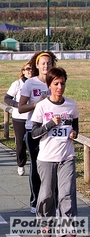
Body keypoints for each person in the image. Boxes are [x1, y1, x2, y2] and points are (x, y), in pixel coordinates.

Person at [30, 67, 79, 226]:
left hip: (67, 157)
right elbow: (34, 133)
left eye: (63, 83)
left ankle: (67, 227)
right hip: (47, 158)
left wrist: (74, 133)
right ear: (49, 85)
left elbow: (75, 127)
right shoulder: (42, 106)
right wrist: (50, 124)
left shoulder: (71, 105)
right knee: (46, 195)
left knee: (66, 194)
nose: (60, 87)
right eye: (56, 84)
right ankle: (46, 225)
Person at [18, 51, 57, 214]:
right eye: (43, 63)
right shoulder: (30, 83)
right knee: (36, 165)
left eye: (49, 63)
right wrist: (38, 104)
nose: (46, 66)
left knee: (52, 166)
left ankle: (51, 201)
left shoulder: (54, 82)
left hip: (51, 130)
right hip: (33, 129)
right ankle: (35, 201)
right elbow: (20, 108)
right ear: (37, 65)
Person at [4, 61, 32, 176]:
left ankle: (36, 164)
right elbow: (7, 98)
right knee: (20, 143)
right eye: (28, 69)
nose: (30, 71)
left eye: (32, 69)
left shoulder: (38, 83)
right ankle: (21, 164)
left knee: (33, 142)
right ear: (23, 71)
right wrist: (18, 105)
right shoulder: (17, 84)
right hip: (19, 117)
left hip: (33, 117)